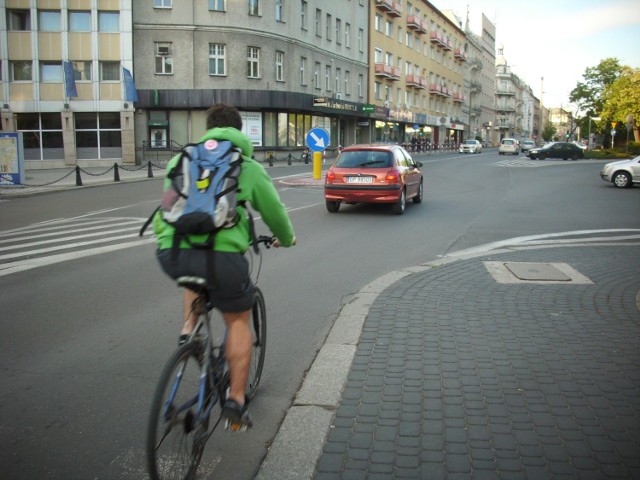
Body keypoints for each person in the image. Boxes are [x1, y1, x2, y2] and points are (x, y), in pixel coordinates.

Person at [153, 103, 296, 430]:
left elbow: (166, 209)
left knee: (193, 276)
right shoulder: (246, 165)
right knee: (238, 322)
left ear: (208, 128)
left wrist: (167, 245)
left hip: (172, 254)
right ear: (238, 131)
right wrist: (285, 239)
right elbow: (274, 212)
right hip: (224, 262)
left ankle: (188, 330)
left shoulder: (181, 159)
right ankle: (235, 400)